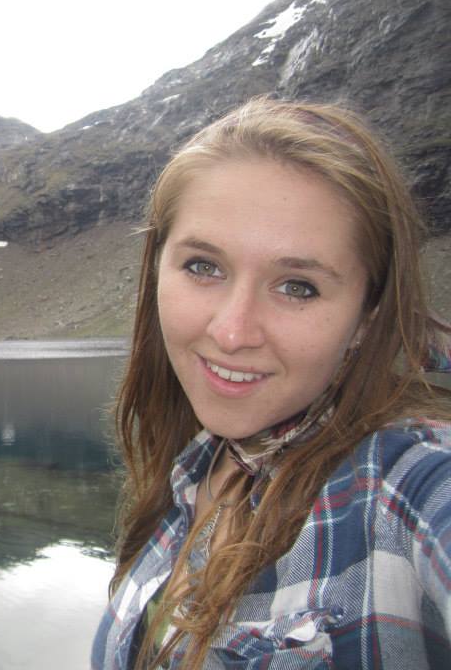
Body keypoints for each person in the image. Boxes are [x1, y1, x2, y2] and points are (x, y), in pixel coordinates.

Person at [91, 97, 451, 669]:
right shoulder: (199, 464)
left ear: (367, 316)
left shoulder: (406, 489)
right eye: (203, 267)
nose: (232, 333)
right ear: (156, 268)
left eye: (298, 287)